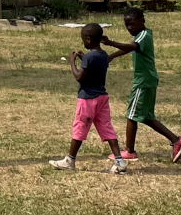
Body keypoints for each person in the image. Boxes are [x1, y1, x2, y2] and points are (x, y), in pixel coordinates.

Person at [103, 8, 181, 162]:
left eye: (132, 24)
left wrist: (110, 43)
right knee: (147, 116)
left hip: (143, 82)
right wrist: (112, 56)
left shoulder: (143, 35)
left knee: (132, 115)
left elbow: (131, 47)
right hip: (148, 80)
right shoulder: (141, 35)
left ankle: (129, 151)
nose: (129, 27)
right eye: (126, 25)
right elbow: (132, 48)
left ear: (142, 21)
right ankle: (177, 141)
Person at [48, 23, 125, 173]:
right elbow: (94, 68)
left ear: (88, 39)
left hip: (87, 99)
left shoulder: (89, 57)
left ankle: (70, 160)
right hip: (102, 97)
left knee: (80, 128)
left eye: (83, 39)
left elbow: (79, 77)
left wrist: (72, 62)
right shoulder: (103, 55)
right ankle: (119, 161)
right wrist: (85, 60)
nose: (83, 41)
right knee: (107, 127)